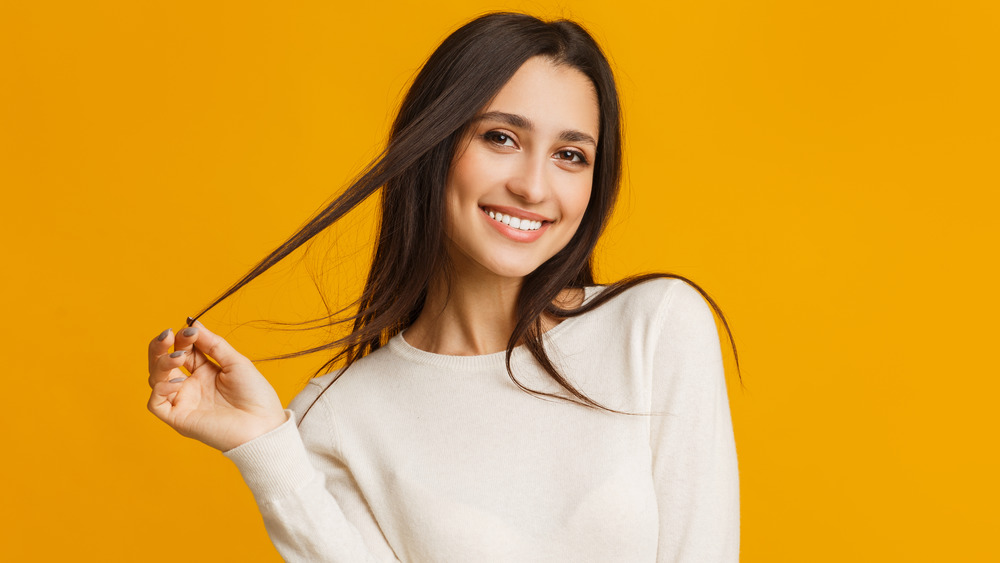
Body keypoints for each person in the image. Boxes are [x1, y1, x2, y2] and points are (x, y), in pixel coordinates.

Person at [146, 12, 740, 562]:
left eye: (569, 154)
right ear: (432, 144)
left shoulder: (655, 329)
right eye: (500, 138)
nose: (534, 187)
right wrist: (264, 447)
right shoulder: (338, 415)